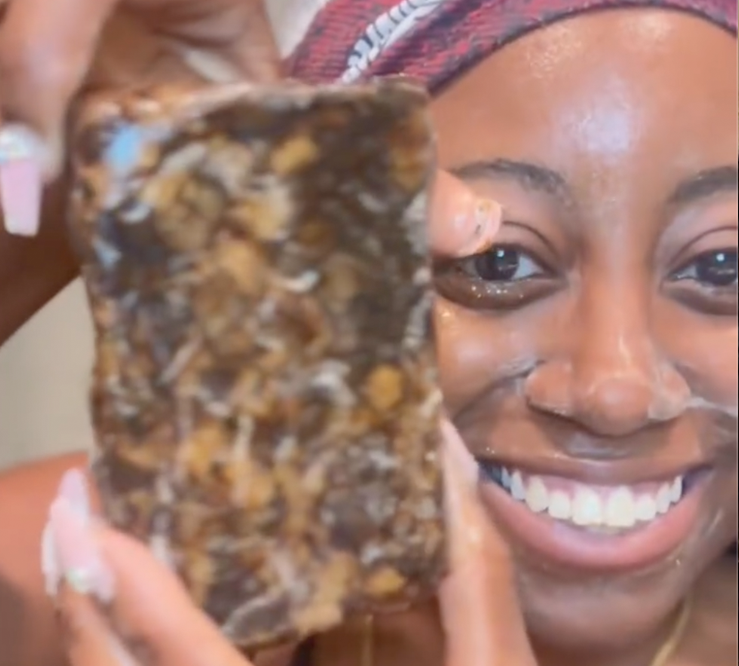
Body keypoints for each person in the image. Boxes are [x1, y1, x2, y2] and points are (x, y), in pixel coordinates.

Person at [0, 0, 736, 664]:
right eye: (498, 262)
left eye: (722, 266)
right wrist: (33, 148)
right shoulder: (85, 579)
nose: (616, 393)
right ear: (301, 290)